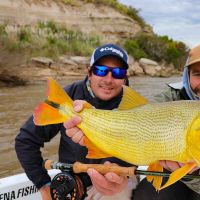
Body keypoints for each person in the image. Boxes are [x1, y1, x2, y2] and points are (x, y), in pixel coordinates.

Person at [15, 43, 138, 200]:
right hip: (72, 184)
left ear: (125, 78)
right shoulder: (68, 97)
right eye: (101, 70)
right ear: (90, 72)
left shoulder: (135, 106)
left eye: (118, 72)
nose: (109, 79)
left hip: (117, 180)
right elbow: (25, 140)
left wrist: (114, 168)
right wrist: (43, 184)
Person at [132, 44, 200, 200]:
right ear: (186, 76)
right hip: (171, 176)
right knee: (148, 194)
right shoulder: (168, 98)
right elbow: (139, 116)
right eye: (198, 74)